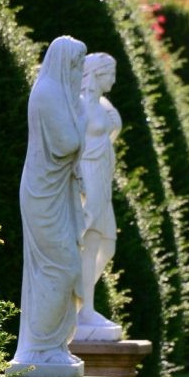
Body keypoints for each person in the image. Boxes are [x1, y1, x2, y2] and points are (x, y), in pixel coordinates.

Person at [12, 36, 88, 376]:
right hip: (44, 194)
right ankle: (39, 346)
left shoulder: (58, 93)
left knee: (59, 267)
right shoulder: (49, 94)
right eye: (77, 65)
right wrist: (83, 116)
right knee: (61, 268)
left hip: (55, 191)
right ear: (64, 63)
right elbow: (67, 142)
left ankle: (52, 345)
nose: (80, 72)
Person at [76, 52, 122, 340]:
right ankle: (83, 309)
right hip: (88, 176)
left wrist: (114, 124)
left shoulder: (102, 105)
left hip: (103, 177)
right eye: (110, 74)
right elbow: (72, 143)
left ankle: (77, 303)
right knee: (90, 243)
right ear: (96, 74)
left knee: (108, 245)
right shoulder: (78, 105)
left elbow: (106, 135)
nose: (114, 80)